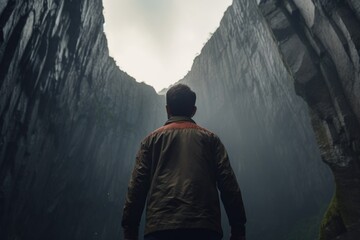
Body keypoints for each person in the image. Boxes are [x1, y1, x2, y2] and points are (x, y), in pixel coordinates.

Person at [122, 84, 246, 240]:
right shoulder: (211, 140)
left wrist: (130, 231)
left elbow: (136, 188)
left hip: (160, 228)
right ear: (193, 111)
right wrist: (238, 229)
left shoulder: (150, 142)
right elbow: (229, 185)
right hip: (204, 228)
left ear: (168, 109)